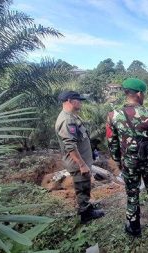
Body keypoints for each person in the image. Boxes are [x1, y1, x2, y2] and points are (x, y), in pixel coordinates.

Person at [106, 78, 148, 237]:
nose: (143, 95)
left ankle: (134, 229)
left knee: (132, 194)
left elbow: (112, 143)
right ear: (139, 94)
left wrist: (118, 161)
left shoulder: (113, 116)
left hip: (129, 163)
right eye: (143, 93)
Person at [55, 91, 105, 224]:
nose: (81, 102)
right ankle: (85, 214)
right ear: (70, 100)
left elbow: (81, 138)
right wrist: (82, 164)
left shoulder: (72, 117)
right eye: (79, 100)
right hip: (77, 163)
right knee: (82, 187)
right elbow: (70, 146)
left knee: (85, 185)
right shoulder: (67, 120)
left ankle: (87, 207)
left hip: (82, 160)